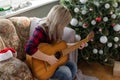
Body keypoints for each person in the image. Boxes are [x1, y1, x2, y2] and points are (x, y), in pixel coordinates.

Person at [24, 5, 86, 80]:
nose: (64, 26)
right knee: (66, 73)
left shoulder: (56, 30)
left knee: (73, 66)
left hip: (53, 63)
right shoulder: (40, 30)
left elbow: (61, 47)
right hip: (41, 67)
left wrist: (76, 45)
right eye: (64, 24)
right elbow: (29, 48)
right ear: (59, 22)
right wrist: (48, 58)